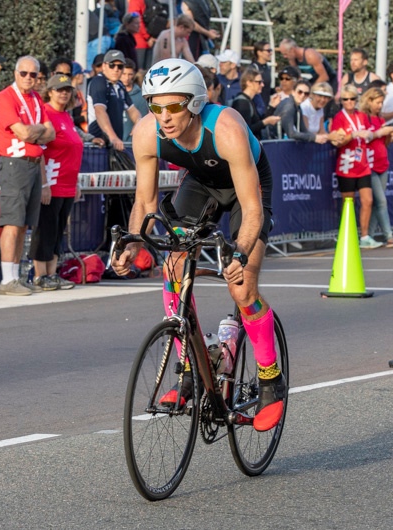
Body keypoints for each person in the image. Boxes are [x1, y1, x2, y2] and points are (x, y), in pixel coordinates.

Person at [113, 58, 285, 432]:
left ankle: (271, 377)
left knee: (242, 287)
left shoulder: (225, 128)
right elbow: (145, 201)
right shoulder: (146, 132)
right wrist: (133, 244)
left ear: (193, 103)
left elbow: (252, 209)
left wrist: (239, 252)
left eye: (173, 107)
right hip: (201, 184)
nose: (164, 117)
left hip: (246, 190)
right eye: (155, 106)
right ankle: (189, 371)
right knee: (174, 268)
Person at [30, 74, 104, 290]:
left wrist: (76, 184)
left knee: (58, 230)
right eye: (59, 89)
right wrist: (43, 185)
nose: (63, 93)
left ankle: (52, 274)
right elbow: (39, 151)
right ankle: (40, 275)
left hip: (68, 184)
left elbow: (72, 152)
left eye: (67, 90)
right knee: (45, 229)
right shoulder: (45, 114)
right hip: (51, 182)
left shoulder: (66, 116)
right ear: (49, 92)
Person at [0, 56, 55, 296]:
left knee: (23, 225)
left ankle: (15, 276)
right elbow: (24, 133)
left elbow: (49, 134)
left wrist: (33, 131)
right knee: (12, 222)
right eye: (24, 73)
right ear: (15, 73)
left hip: (33, 163)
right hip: (14, 163)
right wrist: (37, 131)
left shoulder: (36, 98)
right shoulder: (5, 98)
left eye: (33, 75)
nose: (29, 78)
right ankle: (7, 280)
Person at [330, 84, 380, 249]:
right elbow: (337, 141)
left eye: (352, 98)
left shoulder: (362, 116)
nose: (349, 102)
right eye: (345, 99)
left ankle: (365, 236)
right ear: (342, 101)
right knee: (348, 204)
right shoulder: (339, 118)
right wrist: (352, 135)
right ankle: (347, 236)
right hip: (347, 166)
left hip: (362, 164)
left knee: (368, 200)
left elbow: (370, 135)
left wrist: (372, 134)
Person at [360, 87, 393, 247]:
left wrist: (389, 135)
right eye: (377, 102)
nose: (380, 106)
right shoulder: (362, 118)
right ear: (369, 101)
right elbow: (365, 138)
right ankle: (389, 236)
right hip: (369, 165)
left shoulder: (380, 119)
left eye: (381, 102)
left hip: (383, 163)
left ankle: (369, 235)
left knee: (377, 203)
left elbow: (384, 143)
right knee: (381, 201)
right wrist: (381, 132)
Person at [87, 49, 141, 150]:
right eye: (112, 65)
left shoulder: (120, 85)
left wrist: (138, 121)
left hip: (115, 144)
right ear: (104, 66)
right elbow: (100, 111)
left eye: (120, 66)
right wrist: (113, 137)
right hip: (99, 144)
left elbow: (132, 110)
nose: (116, 69)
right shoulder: (99, 82)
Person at [230, 67, 280, 139]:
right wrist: (266, 122)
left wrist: (272, 106)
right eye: (259, 82)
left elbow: (258, 122)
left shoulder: (249, 100)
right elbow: (247, 130)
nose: (262, 85)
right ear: (249, 83)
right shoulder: (242, 102)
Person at [121, 58, 148, 140]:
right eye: (124, 74)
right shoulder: (113, 93)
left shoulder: (141, 97)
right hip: (115, 142)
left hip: (133, 142)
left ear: (134, 74)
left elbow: (144, 121)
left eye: (130, 74)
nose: (127, 78)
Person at [251, 40, 274, 107]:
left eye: (271, 50)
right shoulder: (254, 68)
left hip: (264, 105)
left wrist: (274, 90)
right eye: (268, 51)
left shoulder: (267, 67)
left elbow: (266, 88)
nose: (271, 53)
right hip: (256, 106)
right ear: (259, 52)